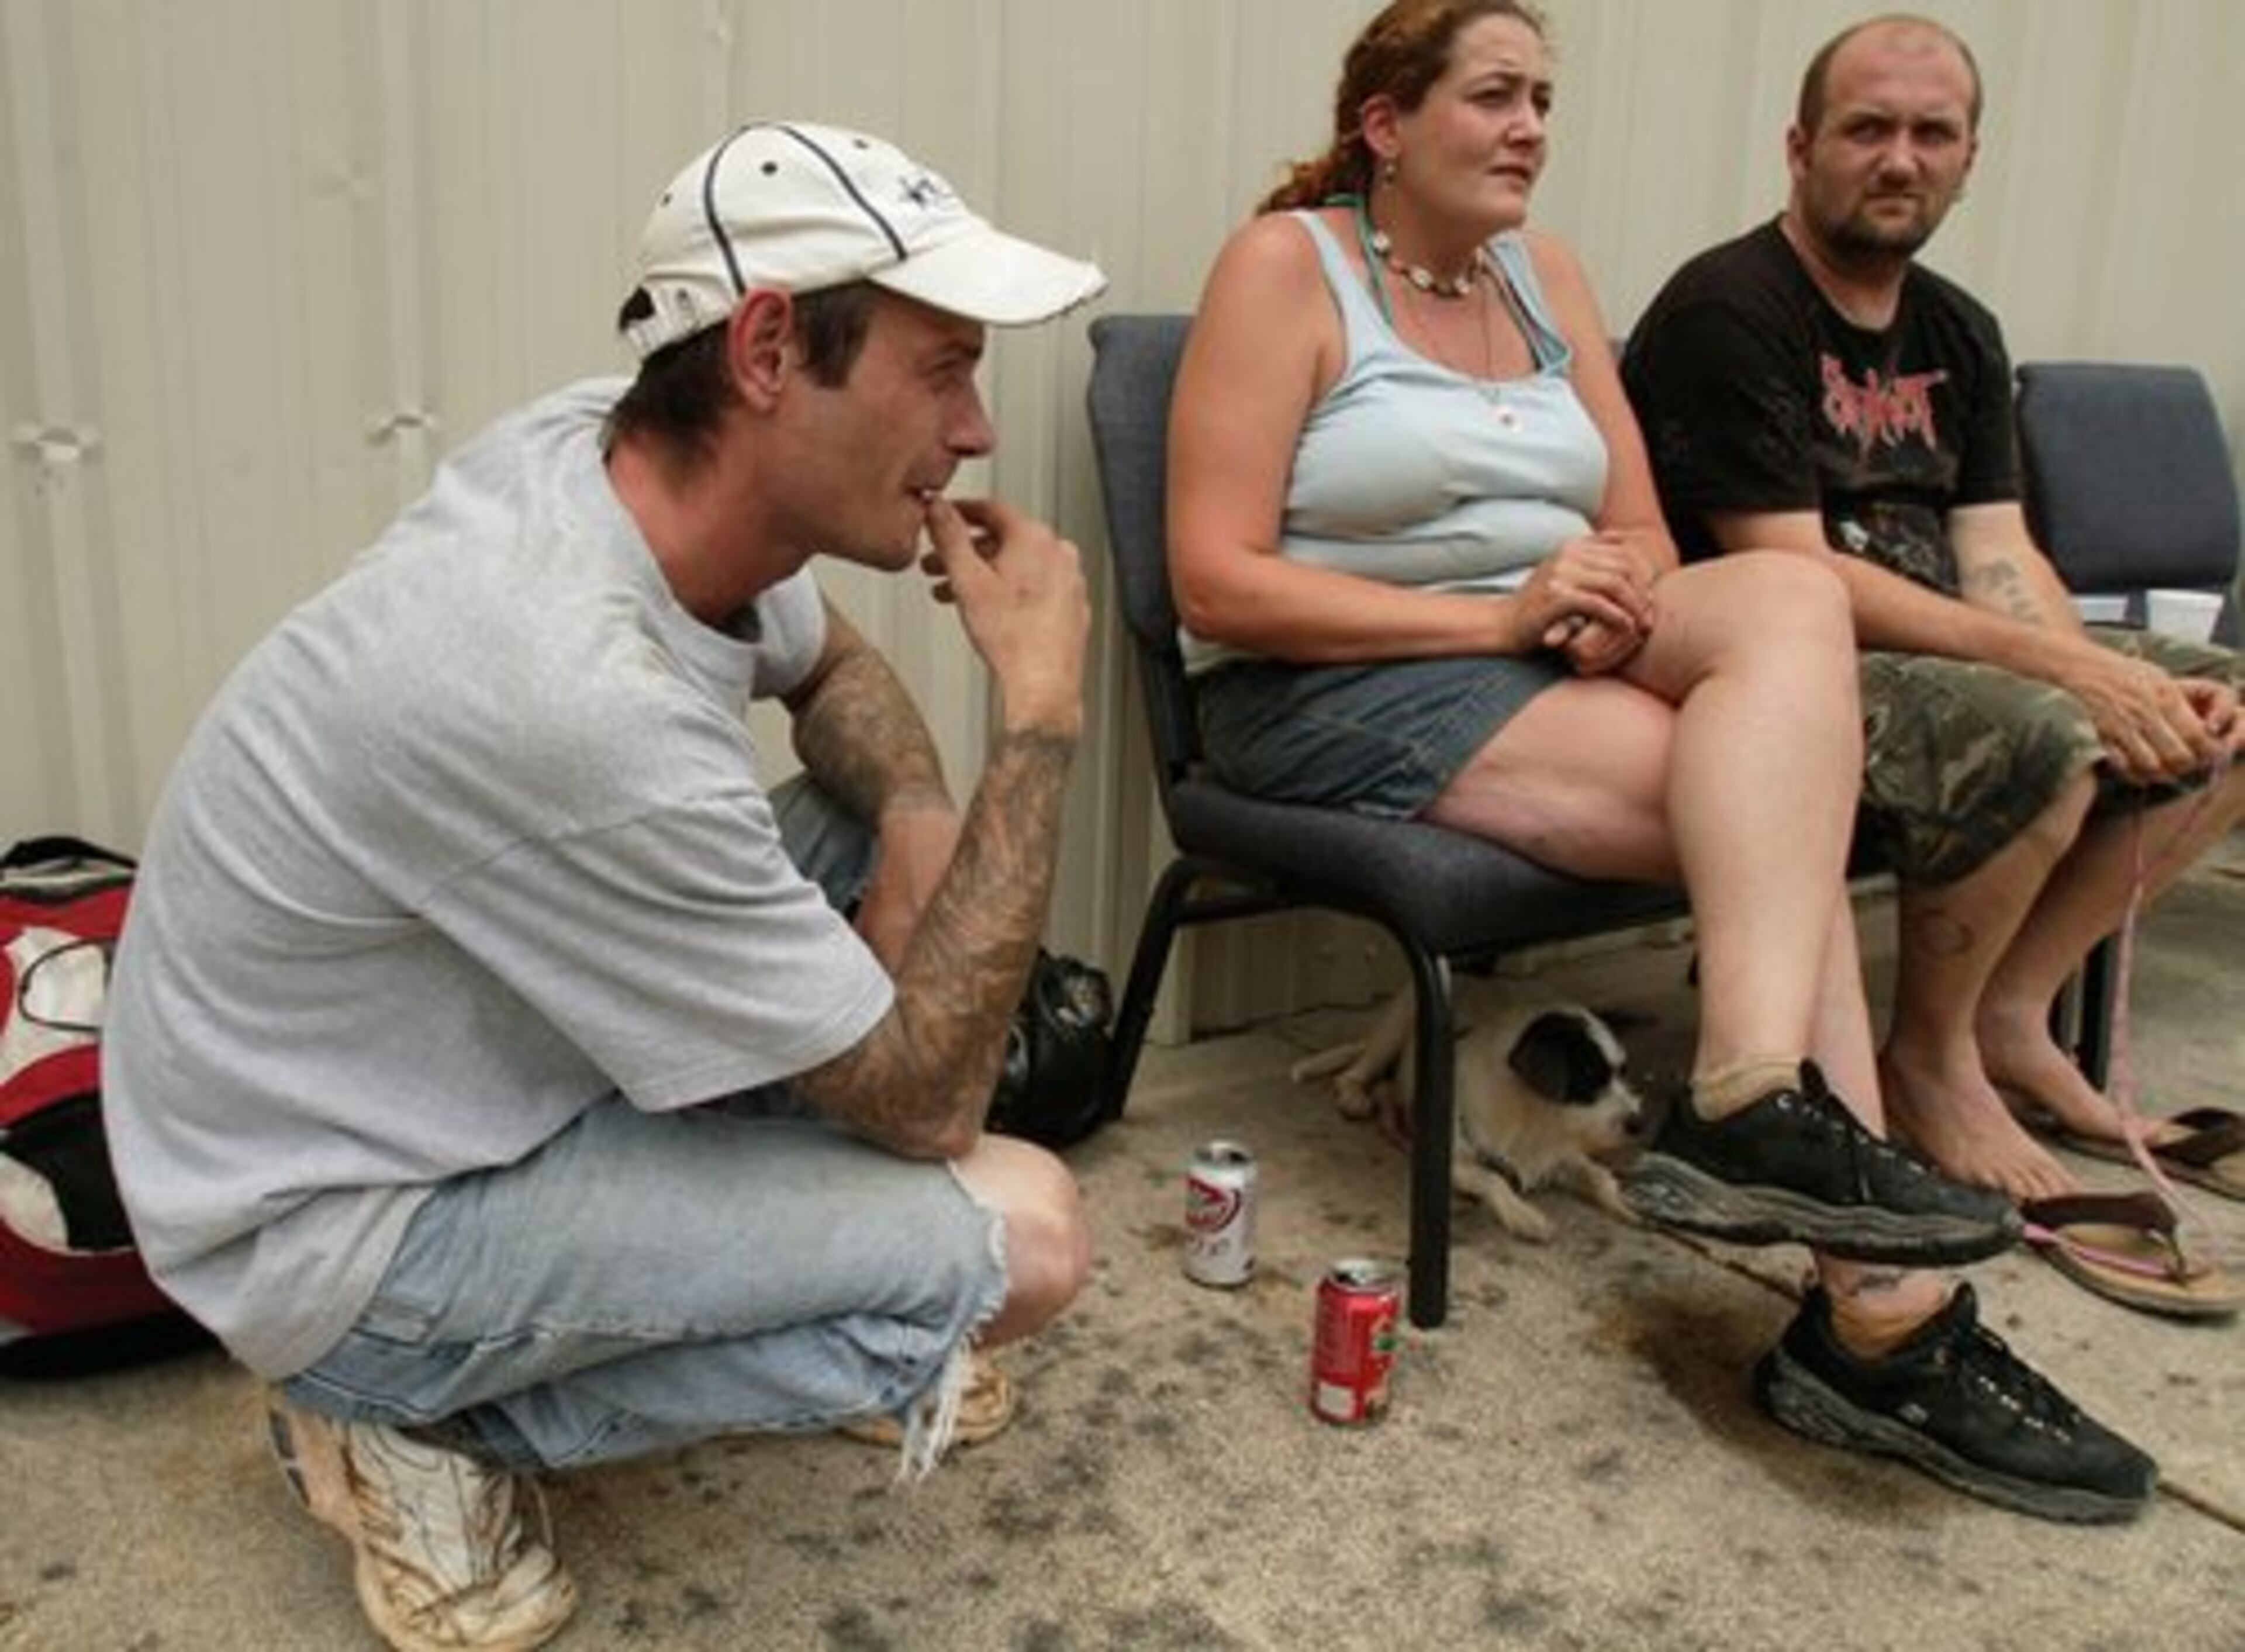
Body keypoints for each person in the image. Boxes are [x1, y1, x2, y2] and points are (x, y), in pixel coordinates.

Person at [102, 122, 1107, 1651]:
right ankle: (395, 1421)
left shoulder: (620, 453)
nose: (975, 430)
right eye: (943, 368)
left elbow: (828, 661)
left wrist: (915, 817)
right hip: (338, 1221)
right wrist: (1039, 713)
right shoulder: (566, 687)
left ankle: (694, 1300)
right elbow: (932, 1109)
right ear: (770, 347)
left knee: (854, 842)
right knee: (1022, 1237)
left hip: (420, 1067)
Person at [1168, 0, 2154, 1522]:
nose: (1531, 129)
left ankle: (1757, 1095)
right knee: (1775, 814)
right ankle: (1877, 1320)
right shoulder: (1283, 270)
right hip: (1335, 684)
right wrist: (1508, 608)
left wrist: (1615, 583)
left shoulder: (1544, 276)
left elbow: (1633, 514)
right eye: (1495, 96)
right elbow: (1216, 585)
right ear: (1386, 122)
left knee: (1787, 599)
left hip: (1540, 651)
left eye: (1545, 99)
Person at [1621, 14, 2245, 1206]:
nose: (1899, 158)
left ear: (1971, 157)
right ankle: (1929, 1055)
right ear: (1800, 147)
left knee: (2223, 709)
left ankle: (2015, 1014)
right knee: (2045, 731)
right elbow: (1796, 572)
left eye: (1931, 133)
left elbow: (1995, 547)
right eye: (1867, 129)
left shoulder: (1958, 327)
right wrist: (2070, 683)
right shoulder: (1730, 307)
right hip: (1794, 667)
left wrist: (2116, 673)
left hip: (1953, 640)